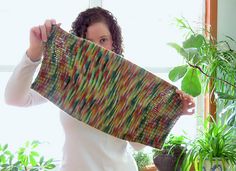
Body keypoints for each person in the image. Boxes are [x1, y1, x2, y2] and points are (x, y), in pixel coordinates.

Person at [4, 7, 195, 171]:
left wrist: (173, 111)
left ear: (114, 43)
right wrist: (34, 52)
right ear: (79, 43)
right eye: (89, 41)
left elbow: (138, 145)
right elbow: (14, 99)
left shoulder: (128, 84)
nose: (97, 47)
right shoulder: (67, 78)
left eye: (103, 39)